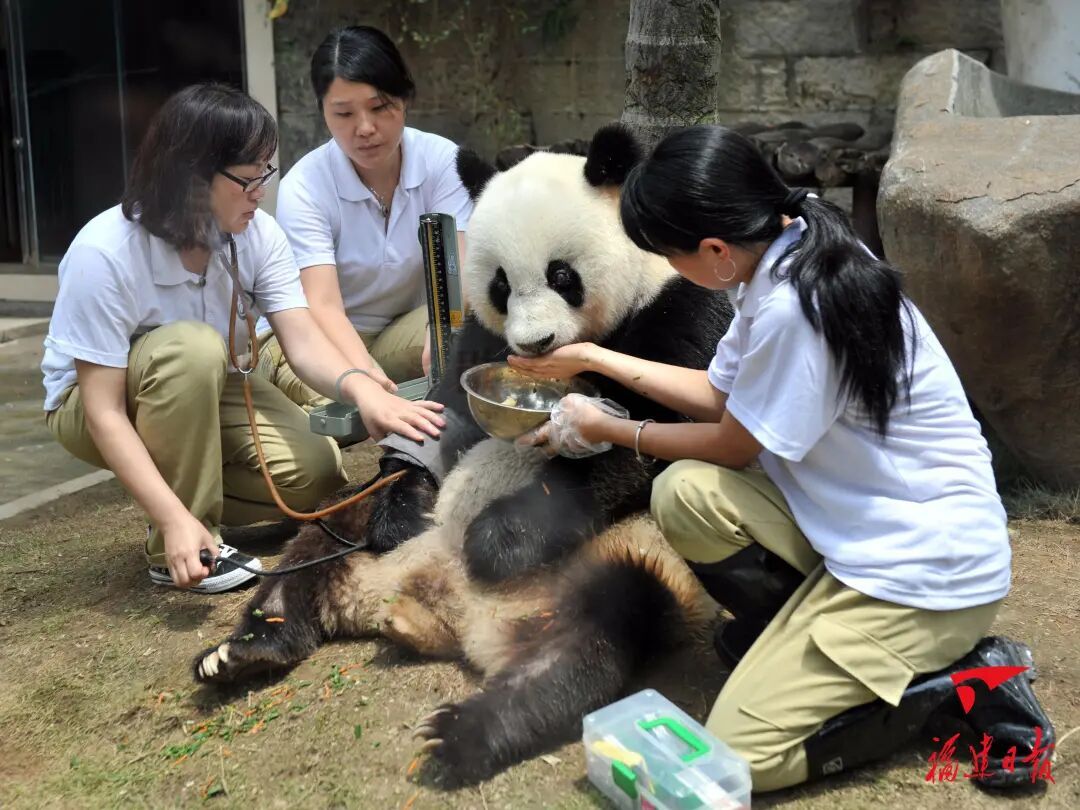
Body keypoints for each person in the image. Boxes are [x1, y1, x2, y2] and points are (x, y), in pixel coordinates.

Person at [509, 125, 1053, 791]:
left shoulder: (797, 305)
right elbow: (718, 393)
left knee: (738, 760)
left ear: (714, 249)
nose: (671, 271)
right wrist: (592, 359)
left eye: (670, 255)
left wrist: (615, 430)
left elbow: (734, 444)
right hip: (862, 528)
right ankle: (797, 640)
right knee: (684, 494)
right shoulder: (788, 250)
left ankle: (951, 688)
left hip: (922, 575)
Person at [42, 84, 444, 595]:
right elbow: (103, 412)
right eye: (248, 179)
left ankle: (181, 492)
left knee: (317, 473)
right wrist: (172, 517)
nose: (261, 191)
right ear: (189, 176)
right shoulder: (105, 253)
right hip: (93, 401)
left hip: (206, 382)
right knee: (189, 348)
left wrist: (365, 390)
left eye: (265, 175)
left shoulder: (256, 234)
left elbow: (301, 340)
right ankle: (184, 542)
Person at [257, 25, 473, 434]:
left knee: (472, 343)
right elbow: (322, 307)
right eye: (343, 113)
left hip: (395, 328)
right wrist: (367, 381)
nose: (365, 128)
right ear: (322, 111)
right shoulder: (305, 186)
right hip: (312, 340)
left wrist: (442, 333)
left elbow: (457, 274)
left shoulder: (444, 161)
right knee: (344, 410)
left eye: (380, 107)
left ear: (405, 99)